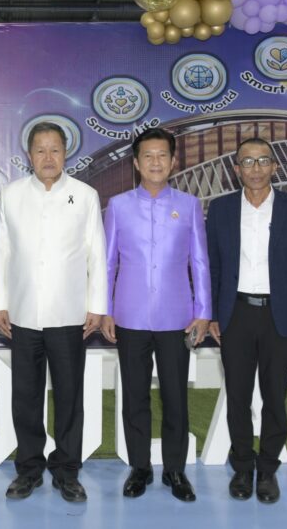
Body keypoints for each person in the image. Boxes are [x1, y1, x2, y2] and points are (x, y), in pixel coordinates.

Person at [0, 122, 106, 503]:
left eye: (55, 149)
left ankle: (67, 471)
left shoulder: (85, 195)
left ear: (66, 153)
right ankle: (28, 469)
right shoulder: (11, 195)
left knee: (69, 396)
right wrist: (0, 302)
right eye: (40, 150)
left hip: (70, 314)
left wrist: (97, 306)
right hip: (22, 313)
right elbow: (1, 252)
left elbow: (96, 254)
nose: (48, 157)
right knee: (25, 396)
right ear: (29, 155)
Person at [206, 137, 287, 505]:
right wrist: (211, 314)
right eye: (247, 162)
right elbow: (212, 267)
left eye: (262, 160)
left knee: (275, 396)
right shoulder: (220, 209)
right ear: (236, 169)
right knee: (238, 396)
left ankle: (268, 468)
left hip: (279, 316)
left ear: (275, 166)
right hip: (235, 314)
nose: (255, 168)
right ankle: (242, 466)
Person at [102, 127, 211, 503]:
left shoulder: (189, 205)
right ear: (136, 163)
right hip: (129, 316)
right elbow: (107, 263)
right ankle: (140, 467)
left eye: (162, 155)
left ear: (173, 161)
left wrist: (203, 312)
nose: (155, 162)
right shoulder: (118, 205)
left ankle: (175, 470)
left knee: (175, 396)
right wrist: (105, 310)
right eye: (147, 156)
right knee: (134, 396)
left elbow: (200, 261)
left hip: (177, 318)